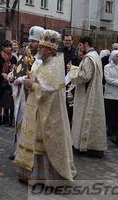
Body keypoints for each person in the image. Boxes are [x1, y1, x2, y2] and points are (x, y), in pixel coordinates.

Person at [14, 29, 77, 184]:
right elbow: (36, 81)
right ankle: (31, 173)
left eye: (42, 47)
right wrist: (29, 83)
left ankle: (47, 177)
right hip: (35, 109)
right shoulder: (42, 63)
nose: (39, 50)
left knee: (44, 144)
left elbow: (49, 88)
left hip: (48, 113)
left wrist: (32, 84)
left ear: (50, 50)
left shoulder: (56, 64)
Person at [9, 26, 44, 159]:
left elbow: (35, 77)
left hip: (32, 96)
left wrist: (18, 79)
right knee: (18, 122)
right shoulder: (24, 54)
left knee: (27, 124)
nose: (31, 43)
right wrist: (11, 75)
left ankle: (25, 152)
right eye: (30, 40)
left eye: (34, 41)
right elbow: (18, 70)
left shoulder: (41, 59)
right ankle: (17, 149)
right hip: (21, 95)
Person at [71, 36, 107, 158]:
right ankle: (93, 146)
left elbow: (85, 76)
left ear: (86, 44)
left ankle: (84, 146)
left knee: (83, 118)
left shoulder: (88, 58)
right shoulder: (95, 56)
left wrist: (72, 70)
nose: (79, 48)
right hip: (94, 93)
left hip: (86, 96)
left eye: (80, 45)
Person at [0, 40, 17, 127]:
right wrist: (1, 73)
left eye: (9, 47)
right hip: (0, 81)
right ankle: (0, 116)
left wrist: (12, 73)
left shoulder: (13, 58)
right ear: (3, 48)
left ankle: (8, 118)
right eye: (6, 47)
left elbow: (16, 69)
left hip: (9, 83)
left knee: (8, 100)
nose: (8, 48)